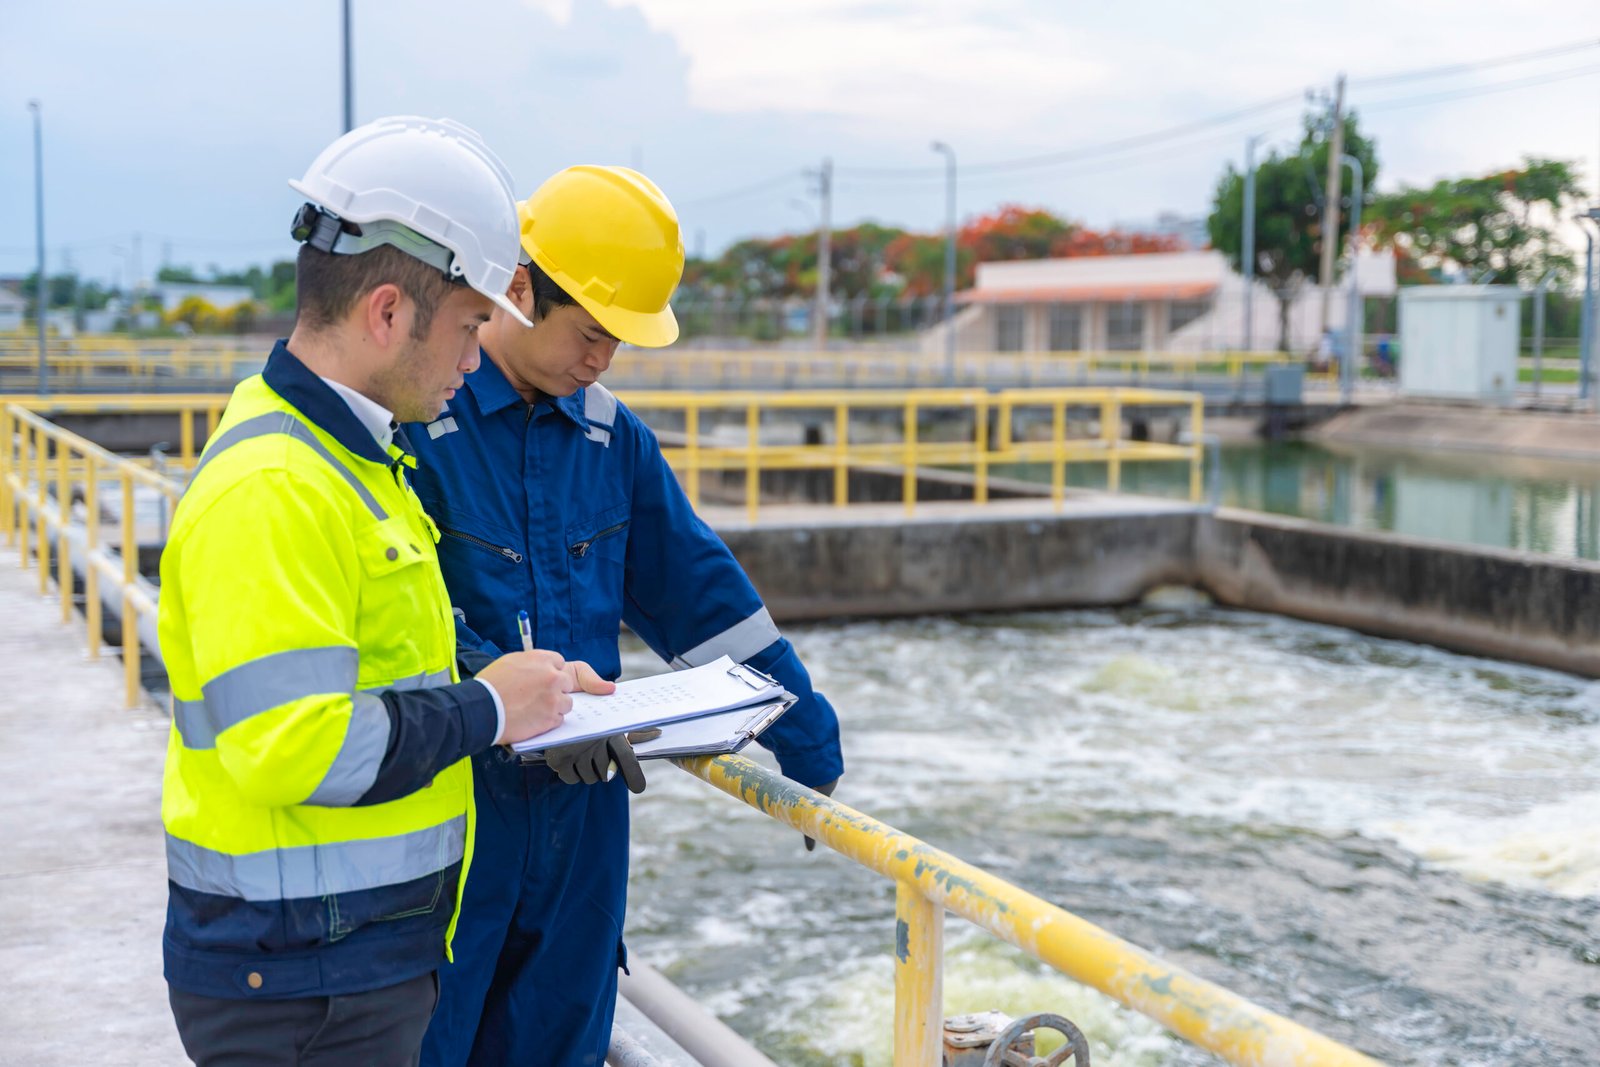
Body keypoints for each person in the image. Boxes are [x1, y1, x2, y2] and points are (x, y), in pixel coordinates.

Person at [157, 116, 614, 1067]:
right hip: (295, 981)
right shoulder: (279, 486)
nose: (475, 357)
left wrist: (517, 681)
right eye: (468, 325)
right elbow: (298, 748)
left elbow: (393, 661)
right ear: (388, 314)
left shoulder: (356, 463)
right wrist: (489, 710)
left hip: (336, 960)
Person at [409, 165, 845, 1067]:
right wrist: (504, 697)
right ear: (520, 288)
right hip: (450, 829)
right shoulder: (417, 423)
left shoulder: (612, 440)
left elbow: (704, 598)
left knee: (562, 1042)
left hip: (583, 836)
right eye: (593, 331)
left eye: (619, 343)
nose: (601, 359)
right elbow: (399, 619)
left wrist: (806, 737)